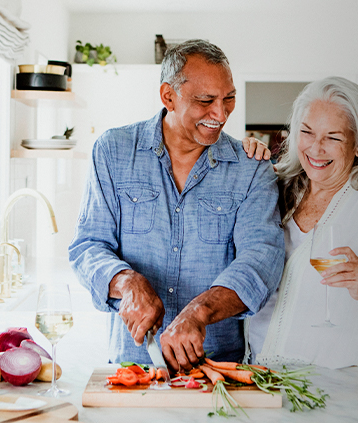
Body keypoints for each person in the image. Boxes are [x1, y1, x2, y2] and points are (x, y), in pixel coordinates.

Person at [68, 39, 285, 371]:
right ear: (168, 96)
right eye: (205, 101)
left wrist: (199, 312)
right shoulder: (113, 151)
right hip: (131, 366)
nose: (221, 114)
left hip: (217, 369)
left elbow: (261, 262)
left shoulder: (252, 167)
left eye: (229, 99)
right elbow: (88, 246)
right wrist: (126, 282)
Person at [246, 76, 358, 369]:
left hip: (329, 385)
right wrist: (243, 157)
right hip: (258, 372)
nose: (316, 148)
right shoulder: (277, 187)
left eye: (333, 137)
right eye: (307, 132)